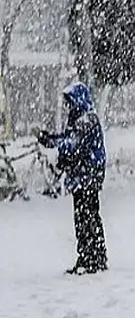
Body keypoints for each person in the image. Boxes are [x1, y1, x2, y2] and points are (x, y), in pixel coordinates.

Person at [37, 82, 107, 275]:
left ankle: (91, 257)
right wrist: (51, 139)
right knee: (87, 216)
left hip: (87, 176)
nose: (68, 106)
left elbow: (73, 145)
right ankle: (92, 256)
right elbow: (68, 139)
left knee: (86, 217)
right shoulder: (79, 119)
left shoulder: (86, 120)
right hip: (83, 176)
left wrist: (57, 150)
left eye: (70, 101)